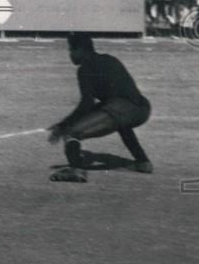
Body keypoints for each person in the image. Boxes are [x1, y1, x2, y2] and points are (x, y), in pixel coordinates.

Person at [46, 34, 153, 182]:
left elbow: (86, 104)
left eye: (72, 50)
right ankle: (143, 162)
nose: (70, 54)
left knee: (71, 132)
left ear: (82, 50)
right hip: (143, 109)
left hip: (121, 108)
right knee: (122, 123)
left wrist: (64, 124)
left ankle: (76, 170)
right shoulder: (110, 59)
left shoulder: (85, 68)